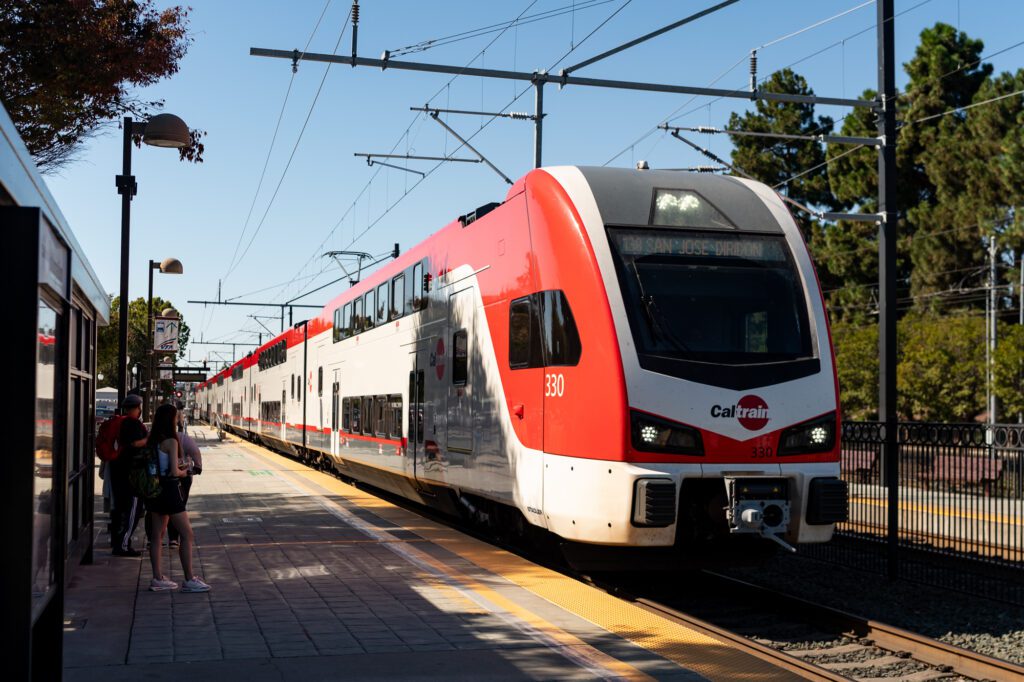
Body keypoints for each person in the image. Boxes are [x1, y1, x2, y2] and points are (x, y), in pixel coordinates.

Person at [145, 403, 210, 593]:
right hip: (170, 490)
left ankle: (157, 578)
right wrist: (186, 469)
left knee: (157, 536)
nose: (178, 419)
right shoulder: (172, 441)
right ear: (171, 420)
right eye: (176, 417)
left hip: (156, 490)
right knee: (187, 534)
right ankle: (189, 579)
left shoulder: (153, 439)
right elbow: (174, 470)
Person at [109, 394, 148, 557]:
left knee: (120, 508)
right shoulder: (132, 424)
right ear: (138, 408)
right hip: (130, 474)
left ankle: (117, 542)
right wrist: (149, 439)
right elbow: (134, 444)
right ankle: (123, 545)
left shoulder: (120, 422)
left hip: (117, 471)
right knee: (133, 509)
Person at [167, 401, 202, 547]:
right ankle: (174, 538)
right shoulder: (181, 438)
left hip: (157, 479)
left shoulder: (152, 437)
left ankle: (151, 539)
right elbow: (195, 452)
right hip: (180, 477)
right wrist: (197, 467)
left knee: (156, 511)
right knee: (179, 507)